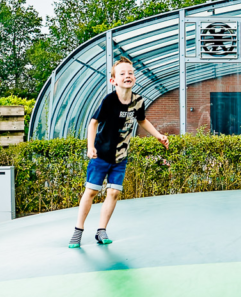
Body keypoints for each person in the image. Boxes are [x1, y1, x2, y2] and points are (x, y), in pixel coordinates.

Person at [71, 58, 168, 248]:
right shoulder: (109, 100)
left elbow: (142, 120)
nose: (127, 76)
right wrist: (90, 147)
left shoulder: (139, 101)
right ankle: (78, 230)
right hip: (101, 155)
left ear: (135, 77)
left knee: (114, 192)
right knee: (91, 191)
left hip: (120, 157)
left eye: (130, 73)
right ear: (113, 81)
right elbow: (93, 123)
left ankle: (101, 230)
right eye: (122, 74)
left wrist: (158, 135)